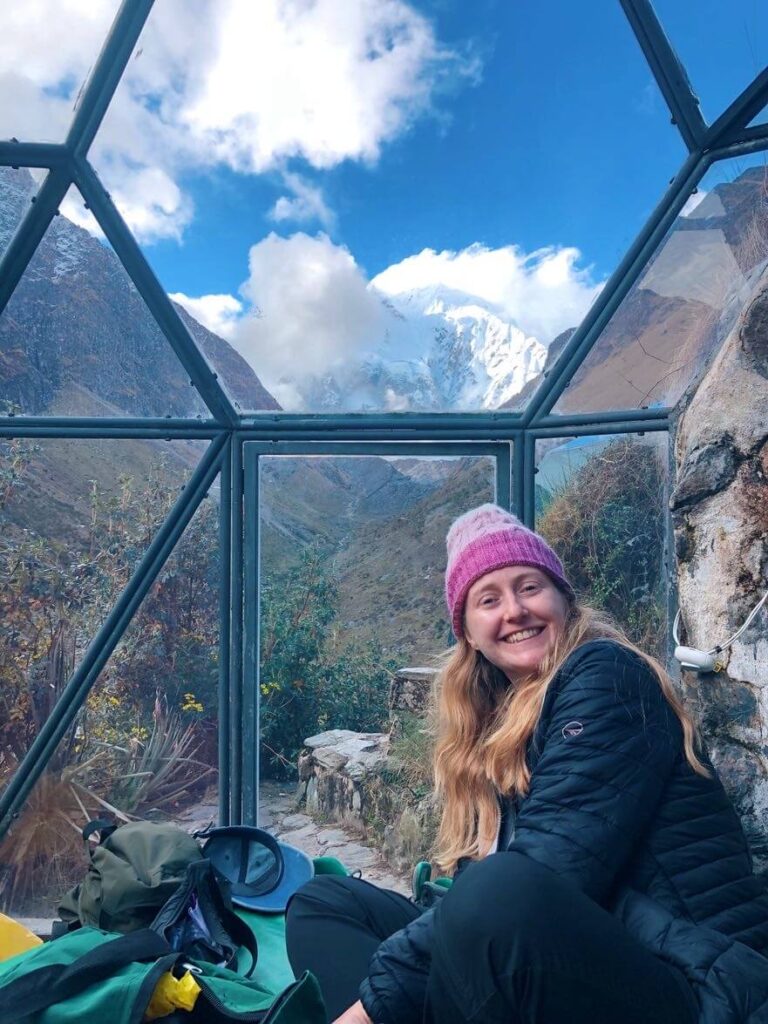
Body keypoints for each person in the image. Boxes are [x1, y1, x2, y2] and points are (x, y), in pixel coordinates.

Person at [286, 504, 768, 1024]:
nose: (514, 611)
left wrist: (367, 1011)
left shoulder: (607, 676)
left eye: (530, 587)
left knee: (493, 893)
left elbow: (549, 870)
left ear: (564, 599)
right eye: (488, 599)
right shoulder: (498, 721)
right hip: (566, 958)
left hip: (693, 980)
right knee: (325, 901)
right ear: (468, 632)